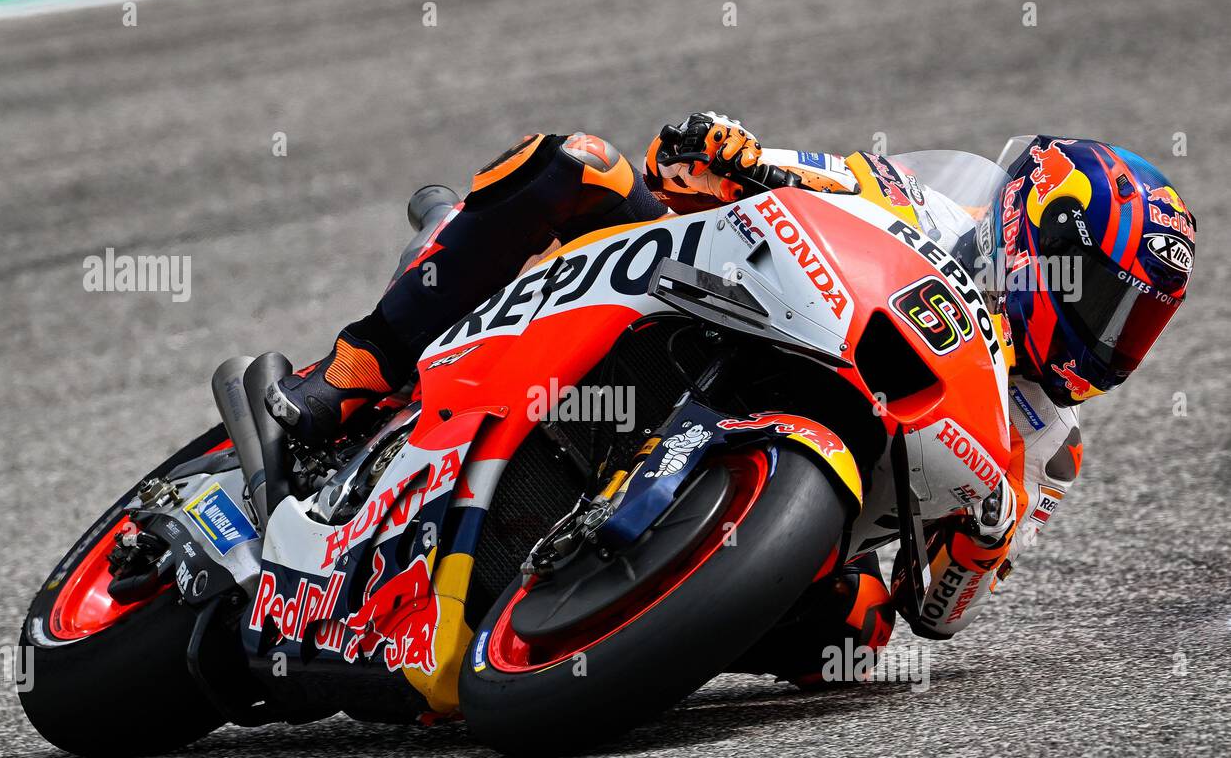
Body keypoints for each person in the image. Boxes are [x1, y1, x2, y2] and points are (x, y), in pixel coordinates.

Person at [265, 114, 1195, 681]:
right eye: (1106, 303)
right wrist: (730, 152)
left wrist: (983, 540)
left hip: (822, 529)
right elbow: (783, 176)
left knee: (859, 643)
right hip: (735, 318)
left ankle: (620, 623)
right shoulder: (925, 204)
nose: (1111, 341)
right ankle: (356, 371)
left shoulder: (1052, 441)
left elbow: (943, 612)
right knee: (579, 163)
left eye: (1136, 327)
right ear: (1042, 235)